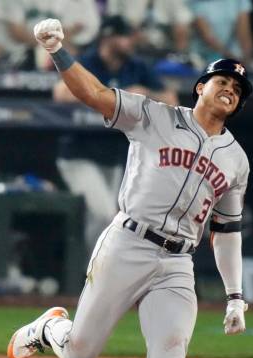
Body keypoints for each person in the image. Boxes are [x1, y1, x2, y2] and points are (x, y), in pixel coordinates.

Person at [8, 17, 253, 358]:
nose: (229, 90)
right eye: (222, 81)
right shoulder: (155, 115)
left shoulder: (236, 160)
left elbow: (225, 230)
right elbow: (96, 94)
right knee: (80, 354)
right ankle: (49, 329)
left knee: (169, 353)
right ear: (201, 86)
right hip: (128, 243)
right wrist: (60, 52)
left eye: (238, 89)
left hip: (178, 265)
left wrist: (235, 295)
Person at [53, 15, 179, 254]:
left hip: (115, 157)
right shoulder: (88, 61)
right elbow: (61, 93)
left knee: (107, 219)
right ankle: (98, 274)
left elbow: (171, 100)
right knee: (104, 214)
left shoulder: (136, 66)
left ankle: (86, 276)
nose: (131, 42)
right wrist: (112, 95)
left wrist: (144, 93)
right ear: (108, 37)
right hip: (78, 155)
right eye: (125, 37)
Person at [0, 0, 100, 69]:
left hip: (63, 55)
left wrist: (47, 46)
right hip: (12, 57)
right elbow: (16, 32)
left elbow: (80, 29)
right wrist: (48, 45)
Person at [104, 0, 194, 58]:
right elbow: (114, 21)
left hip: (165, 49)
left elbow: (182, 21)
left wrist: (179, 55)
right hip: (134, 47)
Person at [189, 0, 253, 69]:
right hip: (202, 58)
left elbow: (244, 34)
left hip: (235, 56)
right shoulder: (196, 3)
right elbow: (208, 37)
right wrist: (231, 59)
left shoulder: (240, 2)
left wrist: (247, 59)